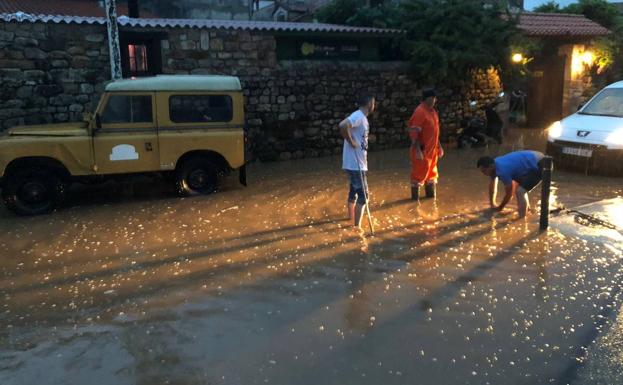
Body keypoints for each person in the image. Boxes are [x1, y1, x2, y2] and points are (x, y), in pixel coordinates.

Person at [339, 94, 376, 229]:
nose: (374, 105)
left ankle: (351, 220)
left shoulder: (362, 118)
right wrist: (351, 141)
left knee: (353, 192)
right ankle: (357, 228)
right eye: (374, 102)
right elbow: (343, 125)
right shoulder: (359, 116)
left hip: (355, 163)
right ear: (369, 103)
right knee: (364, 196)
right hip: (355, 164)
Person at [477, 150, 545, 218]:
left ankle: (522, 219)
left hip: (541, 163)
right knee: (520, 187)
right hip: (534, 159)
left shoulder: (503, 171)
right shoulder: (494, 163)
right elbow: (492, 186)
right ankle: (527, 210)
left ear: (491, 166)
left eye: (484, 171)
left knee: (520, 192)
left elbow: (509, 194)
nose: (483, 173)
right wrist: (492, 204)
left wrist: (500, 208)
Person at [408, 89, 444, 201]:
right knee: (417, 177)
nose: (434, 100)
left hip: (432, 151)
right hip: (422, 151)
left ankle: (431, 201)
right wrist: (418, 150)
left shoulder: (433, 112)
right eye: (432, 98)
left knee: (432, 177)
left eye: (435, 98)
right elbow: (414, 133)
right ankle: (414, 203)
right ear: (426, 98)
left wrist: (439, 146)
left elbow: (435, 131)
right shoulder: (420, 112)